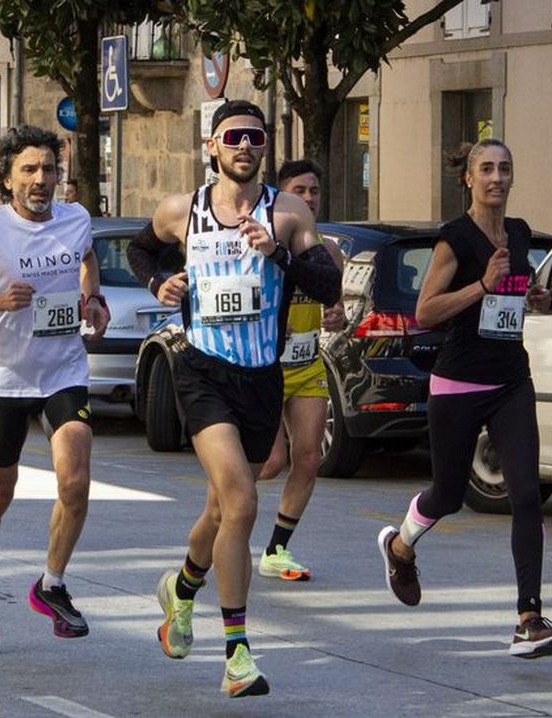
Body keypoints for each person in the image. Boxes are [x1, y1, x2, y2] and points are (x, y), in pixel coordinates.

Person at [126, 100, 341, 698]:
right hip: (202, 371)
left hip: (261, 377)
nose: (245, 146)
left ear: (265, 148)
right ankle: (237, 653)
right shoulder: (183, 211)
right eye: (234, 137)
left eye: (256, 138)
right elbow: (138, 251)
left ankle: (182, 589)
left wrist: (277, 251)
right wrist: (157, 282)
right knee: (242, 503)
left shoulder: (290, 211)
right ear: (212, 146)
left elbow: (327, 287)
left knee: (221, 511)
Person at [376, 138, 552, 660]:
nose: (496, 178)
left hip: (510, 380)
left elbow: (513, 294)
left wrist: (532, 297)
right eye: (486, 169)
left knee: (526, 494)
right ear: (469, 178)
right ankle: (399, 547)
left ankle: (529, 618)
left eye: (505, 168)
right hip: (459, 382)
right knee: (448, 496)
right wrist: (483, 285)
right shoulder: (454, 239)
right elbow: (427, 311)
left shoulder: (520, 233)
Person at [0, 125, 109, 655]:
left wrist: (93, 298)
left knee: (75, 483)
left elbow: (85, 259)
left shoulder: (76, 218)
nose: (41, 179)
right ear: (7, 179)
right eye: (29, 170)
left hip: (63, 371)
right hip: (5, 379)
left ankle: (51, 584)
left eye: (49, 170)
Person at [253, 159, 346, 582]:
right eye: (299, 190)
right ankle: (221, 516)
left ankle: (276, 549)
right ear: (282, 198)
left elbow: (336, 306)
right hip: (267, 365)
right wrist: (274, 318)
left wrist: (336, 316)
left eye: (314, 190)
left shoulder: (329, 252)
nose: (308, 198)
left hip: (307, 365)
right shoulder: (264, 245)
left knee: (308, 458)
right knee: (269, 462)